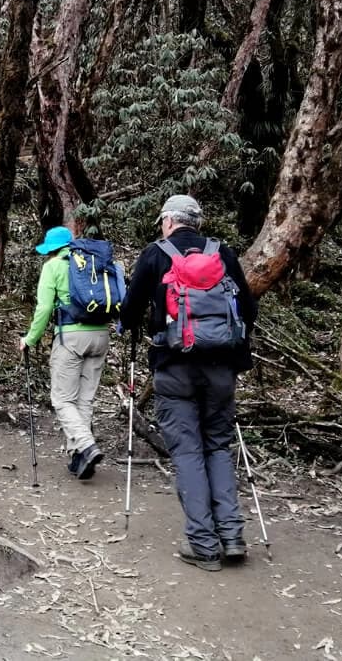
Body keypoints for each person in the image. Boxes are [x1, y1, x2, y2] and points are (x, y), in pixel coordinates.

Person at [120, 194, 259, 572]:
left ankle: (202, 543)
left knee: (187, 451)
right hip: (221, 371)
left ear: (168, 221)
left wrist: (131, 324)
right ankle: (231, 535)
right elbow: (248, 309)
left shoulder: (155, 253)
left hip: (175, 367)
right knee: (217, 446)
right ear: (196, 222)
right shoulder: (223, 253)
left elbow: (130, 312)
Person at [18, 225, 111, 480]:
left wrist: (30, 338)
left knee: (62, 399)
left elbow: (45, 307)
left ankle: (87, 446)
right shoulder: (91, 261)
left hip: (71, 336)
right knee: (84, 399)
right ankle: (79, 456)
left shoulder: (53, 266)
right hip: (101, 334)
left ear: (51, 249)